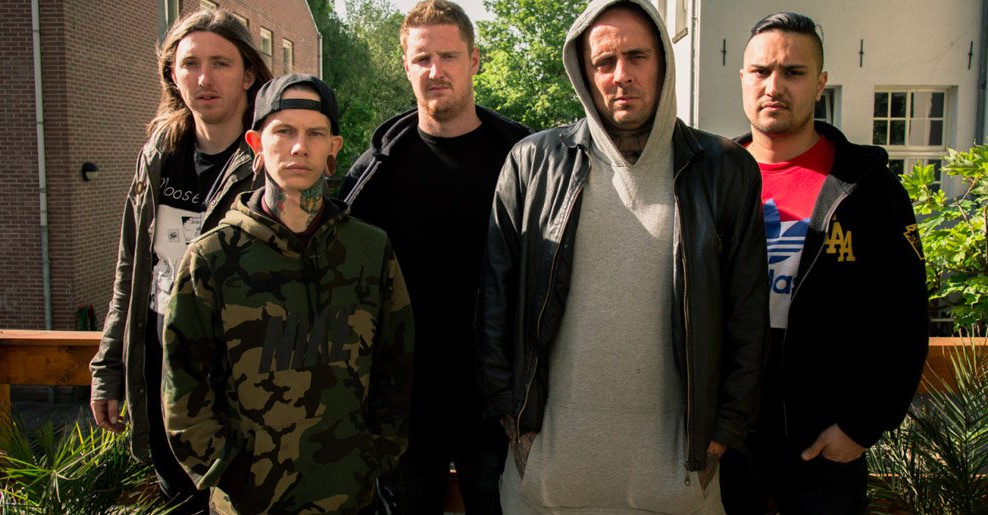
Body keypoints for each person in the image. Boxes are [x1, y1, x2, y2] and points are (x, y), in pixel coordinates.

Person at [477, 0, 770, 512]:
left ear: (663, 62)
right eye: (604, 62)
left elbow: (747, 311)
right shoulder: (532, 162)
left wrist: (725, 430)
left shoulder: (724, 169)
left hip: (679, 482)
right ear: (584, 73)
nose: (621, 75)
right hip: (549, 477)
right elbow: (495, 297)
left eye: (637, 56)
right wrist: (508, 412)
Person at [160, 73, 415, 514]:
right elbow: (183, 386)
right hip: (248, 502)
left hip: (349, 499)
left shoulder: (369, 250)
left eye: (315, 133)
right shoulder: (213, 257)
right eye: (284, 131)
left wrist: (374, 457)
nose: (300, 147)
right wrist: (229, 473)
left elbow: (397, 365)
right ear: (256, 144)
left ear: (333, 147)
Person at [719, 12, 930, 514]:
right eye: (761, 71)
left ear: (820, 84)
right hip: (724, 442)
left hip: (824, 446)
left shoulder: (867, 188)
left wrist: (860, 427)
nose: (774, 86)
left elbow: (906, 316)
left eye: (793, 72)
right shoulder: (711, 179)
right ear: (743, 78)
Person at [338, 1, 531, 512]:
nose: (435, 70)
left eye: (448, 56)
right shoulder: (375, 172)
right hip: (405, 399)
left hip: (496, 397)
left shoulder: (524, 160)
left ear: (475, 61)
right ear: (406, 66)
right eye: (422, 59)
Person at [89, 8, 271, 512]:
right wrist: (108, 368)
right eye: (190, 63)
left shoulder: (270, 163)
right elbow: (129, 273)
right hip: (160, 375)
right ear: (173, 73)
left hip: (238, 387)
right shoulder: (158, 155)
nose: (204, 78)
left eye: (221, 63)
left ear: (248, 74)